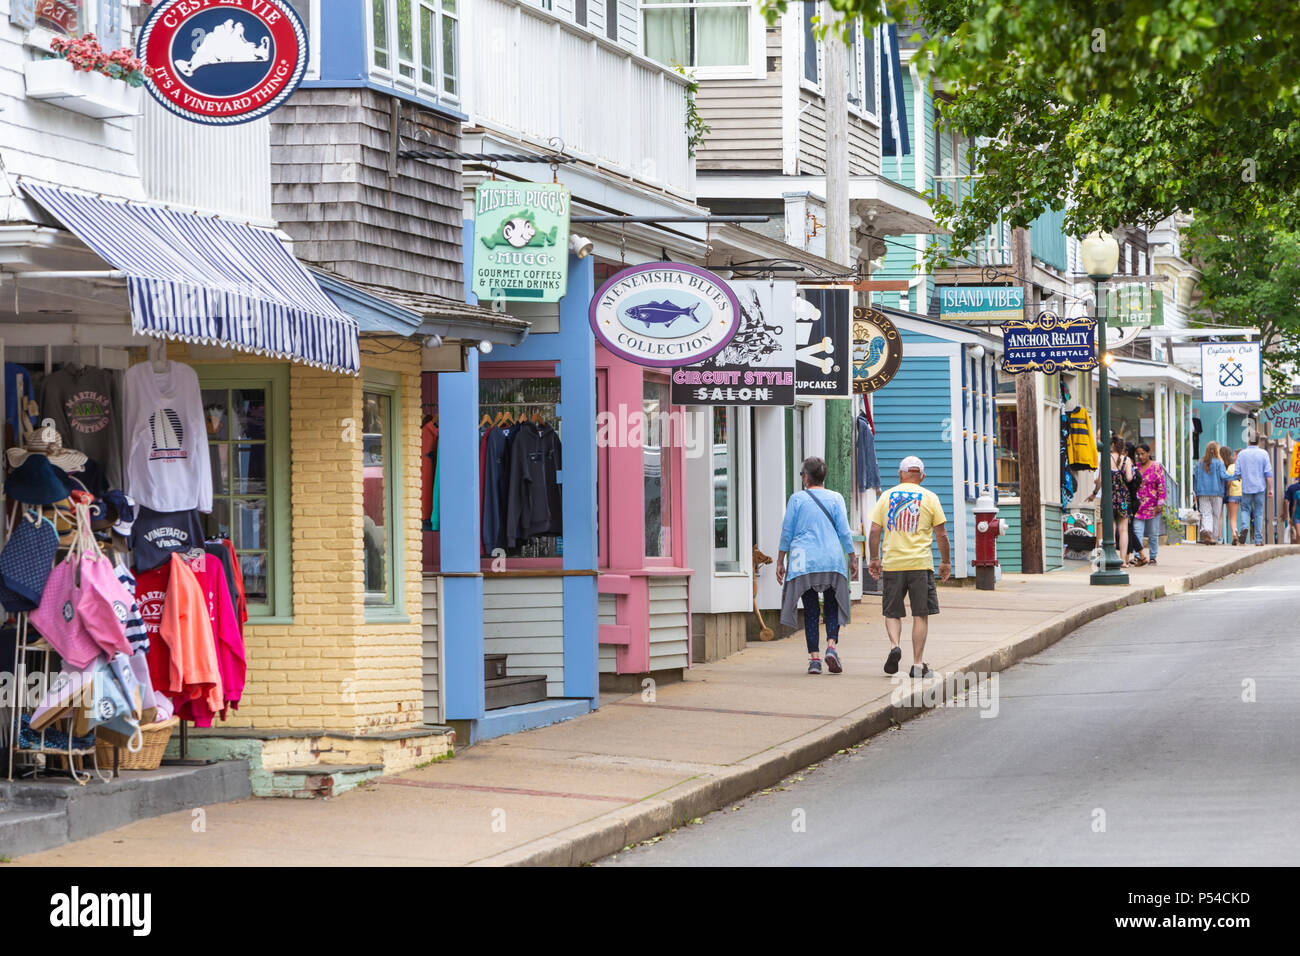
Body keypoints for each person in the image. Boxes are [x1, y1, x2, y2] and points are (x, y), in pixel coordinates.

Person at [867, 455, 951, 679]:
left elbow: (874, 531)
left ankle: (895, 645)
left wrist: (874, 558)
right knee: (920, 614)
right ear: (922, 476)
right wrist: (945, 562)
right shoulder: (930, 498)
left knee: (892, 612)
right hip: (920, 564)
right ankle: (916, 664)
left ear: (900, 474)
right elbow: (941, 534)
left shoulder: (886, 497)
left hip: (893, 564)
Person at [776, 456, 858, 675]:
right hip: (832, 559)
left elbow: (787, 531)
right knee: (832, 604)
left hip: (804, 560)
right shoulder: (836, 498)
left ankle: (814, 659)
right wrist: (852, 556)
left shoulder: (797, 499)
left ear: (806, 477)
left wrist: (780, 559)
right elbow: (843, 530)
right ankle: (831, 646)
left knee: (811, 608)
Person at [1088, 435, 1134, 567]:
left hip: (1109, 496)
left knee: (1111, 528)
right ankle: (1124, 560)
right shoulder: (1127, 460)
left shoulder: (1106, 459)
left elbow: (1101, 480)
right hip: (1123, 497)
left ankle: (1113, 557)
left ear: (1112, 444)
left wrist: (1094, 493)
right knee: (1124, 529)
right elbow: (1130, 478)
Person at [1131, 443, 1167, 566]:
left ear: (1148, 453)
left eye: (1143, 454)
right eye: (1138, 454)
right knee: (1137, 531)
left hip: (1153, 506)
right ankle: (1138, 556)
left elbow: (1161, 486)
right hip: (1138, 506)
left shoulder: (1157, 467)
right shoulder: (1135, 467)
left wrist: (1160, 504)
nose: (1140, 457)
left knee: (1153, 533)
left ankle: (1153, 556)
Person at [1235, 436, 1274, 545]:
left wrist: (1245, 477)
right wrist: (1270, 488)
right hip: (1260, 487)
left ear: (1248, 440)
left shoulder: (1241, 454)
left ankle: (1244, 527)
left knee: (1245, 509)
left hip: (1246, 487)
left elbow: (1237, 473)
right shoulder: (1264, 454)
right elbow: (1268, 473)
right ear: (1258, 441)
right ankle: (1258, 539)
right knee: (1258, 512)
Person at [1192, 440, 1228, 544]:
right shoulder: (1219, 463)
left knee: (1206, 513)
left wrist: (1195, 492)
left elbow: (1196, 478)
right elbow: (1224, 476)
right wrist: (1236, 476)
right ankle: (1213, 537)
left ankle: (1207, 530)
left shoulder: (1199, 463)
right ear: (1217, 451)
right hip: (1217, 493)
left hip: (1202, 492)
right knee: (1216, 515)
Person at [1220, 445, 1242, 545]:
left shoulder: (1230, 467)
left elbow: (1228, 481)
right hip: (1241, 493)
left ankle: (1232, 533)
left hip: (1230, 493)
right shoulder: (1243, 466)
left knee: (1229, 516)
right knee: (1235, 516)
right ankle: (1236, 531)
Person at [1285, 474, 1300, 543]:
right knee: (1298, 534)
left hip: (1295, 515)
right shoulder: (1297, 492)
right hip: (1296, 515)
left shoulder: (1291, 488)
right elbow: (1294, 505)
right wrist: (1291, 517)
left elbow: (1286, 501)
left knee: (1297, 534)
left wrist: (1286, 514)